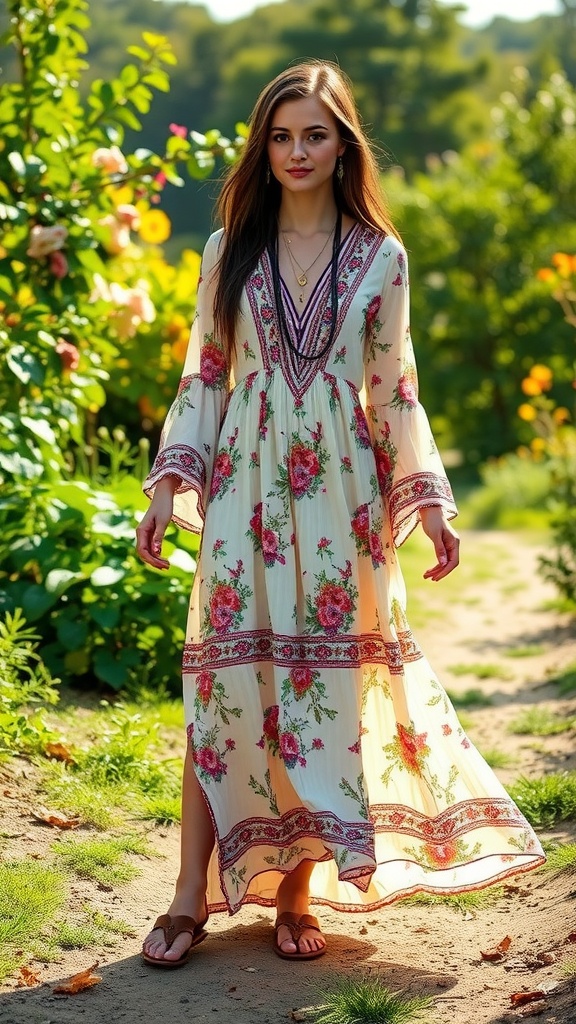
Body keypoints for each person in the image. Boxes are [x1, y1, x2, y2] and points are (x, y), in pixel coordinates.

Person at [136, 61, 544, 967]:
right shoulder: (226, 250)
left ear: (343, 142)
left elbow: (395, 391)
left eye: (314, 134)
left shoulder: (381, 257)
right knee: (223, 688)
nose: (296, 151)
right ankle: (184, 899)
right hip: (243, 495)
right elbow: (205, 376)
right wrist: (170, 485)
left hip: (340, 504)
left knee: (321, 693)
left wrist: (431, 504)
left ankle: (293, 894)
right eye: (280, 136)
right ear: (263, 145)